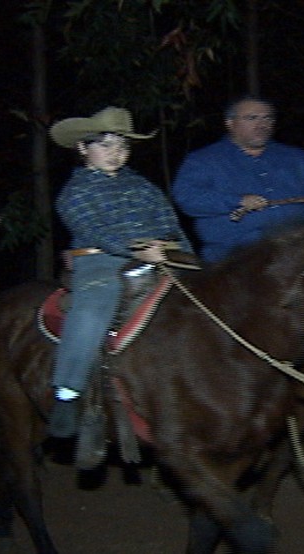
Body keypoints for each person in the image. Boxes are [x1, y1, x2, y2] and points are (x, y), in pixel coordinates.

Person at [47, 106, 194, 438]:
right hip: (101, 261)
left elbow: (170, 222)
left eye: (122, 146)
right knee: (95, 305)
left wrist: (187, 256)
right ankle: (67, 392)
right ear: (83, 148)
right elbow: (93, 229)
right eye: (106, 144)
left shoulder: (144, 187)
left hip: (161, 255)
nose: (116, 153)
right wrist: (136, 248)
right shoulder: (76, 190)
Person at [172, 95, 304, 263]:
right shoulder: (204, 160)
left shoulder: (293, 157)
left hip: (301, 247)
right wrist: (236, 201)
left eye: (268, 118)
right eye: (252, 118)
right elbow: (188, 198)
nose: (262, 124)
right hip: (237, 257)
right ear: (230, 123)